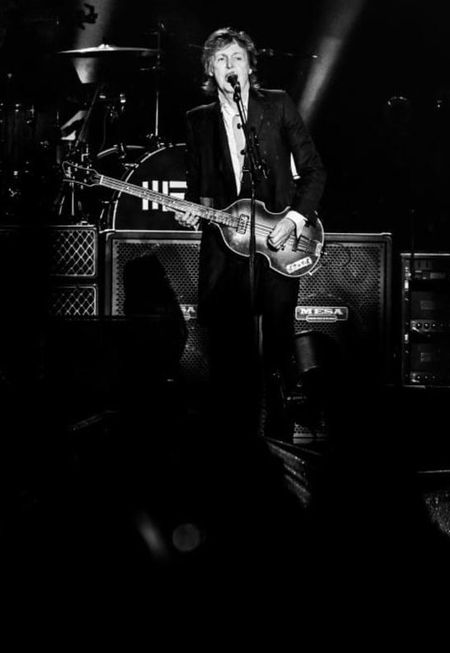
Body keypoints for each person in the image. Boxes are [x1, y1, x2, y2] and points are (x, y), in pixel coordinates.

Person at [175, 27, 326, 441]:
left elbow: (314, 171)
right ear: (209, 68)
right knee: (228, 351)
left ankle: (280, 441)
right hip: (227, 250)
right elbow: (197, 190)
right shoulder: (198, 121)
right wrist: (193, 213)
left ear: (249, 66)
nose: (230, 66)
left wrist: (294, 219)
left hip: (278, 242)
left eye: (237, 58)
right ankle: (233, 443)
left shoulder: (276, 105)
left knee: (276, 344)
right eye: (221, 59)